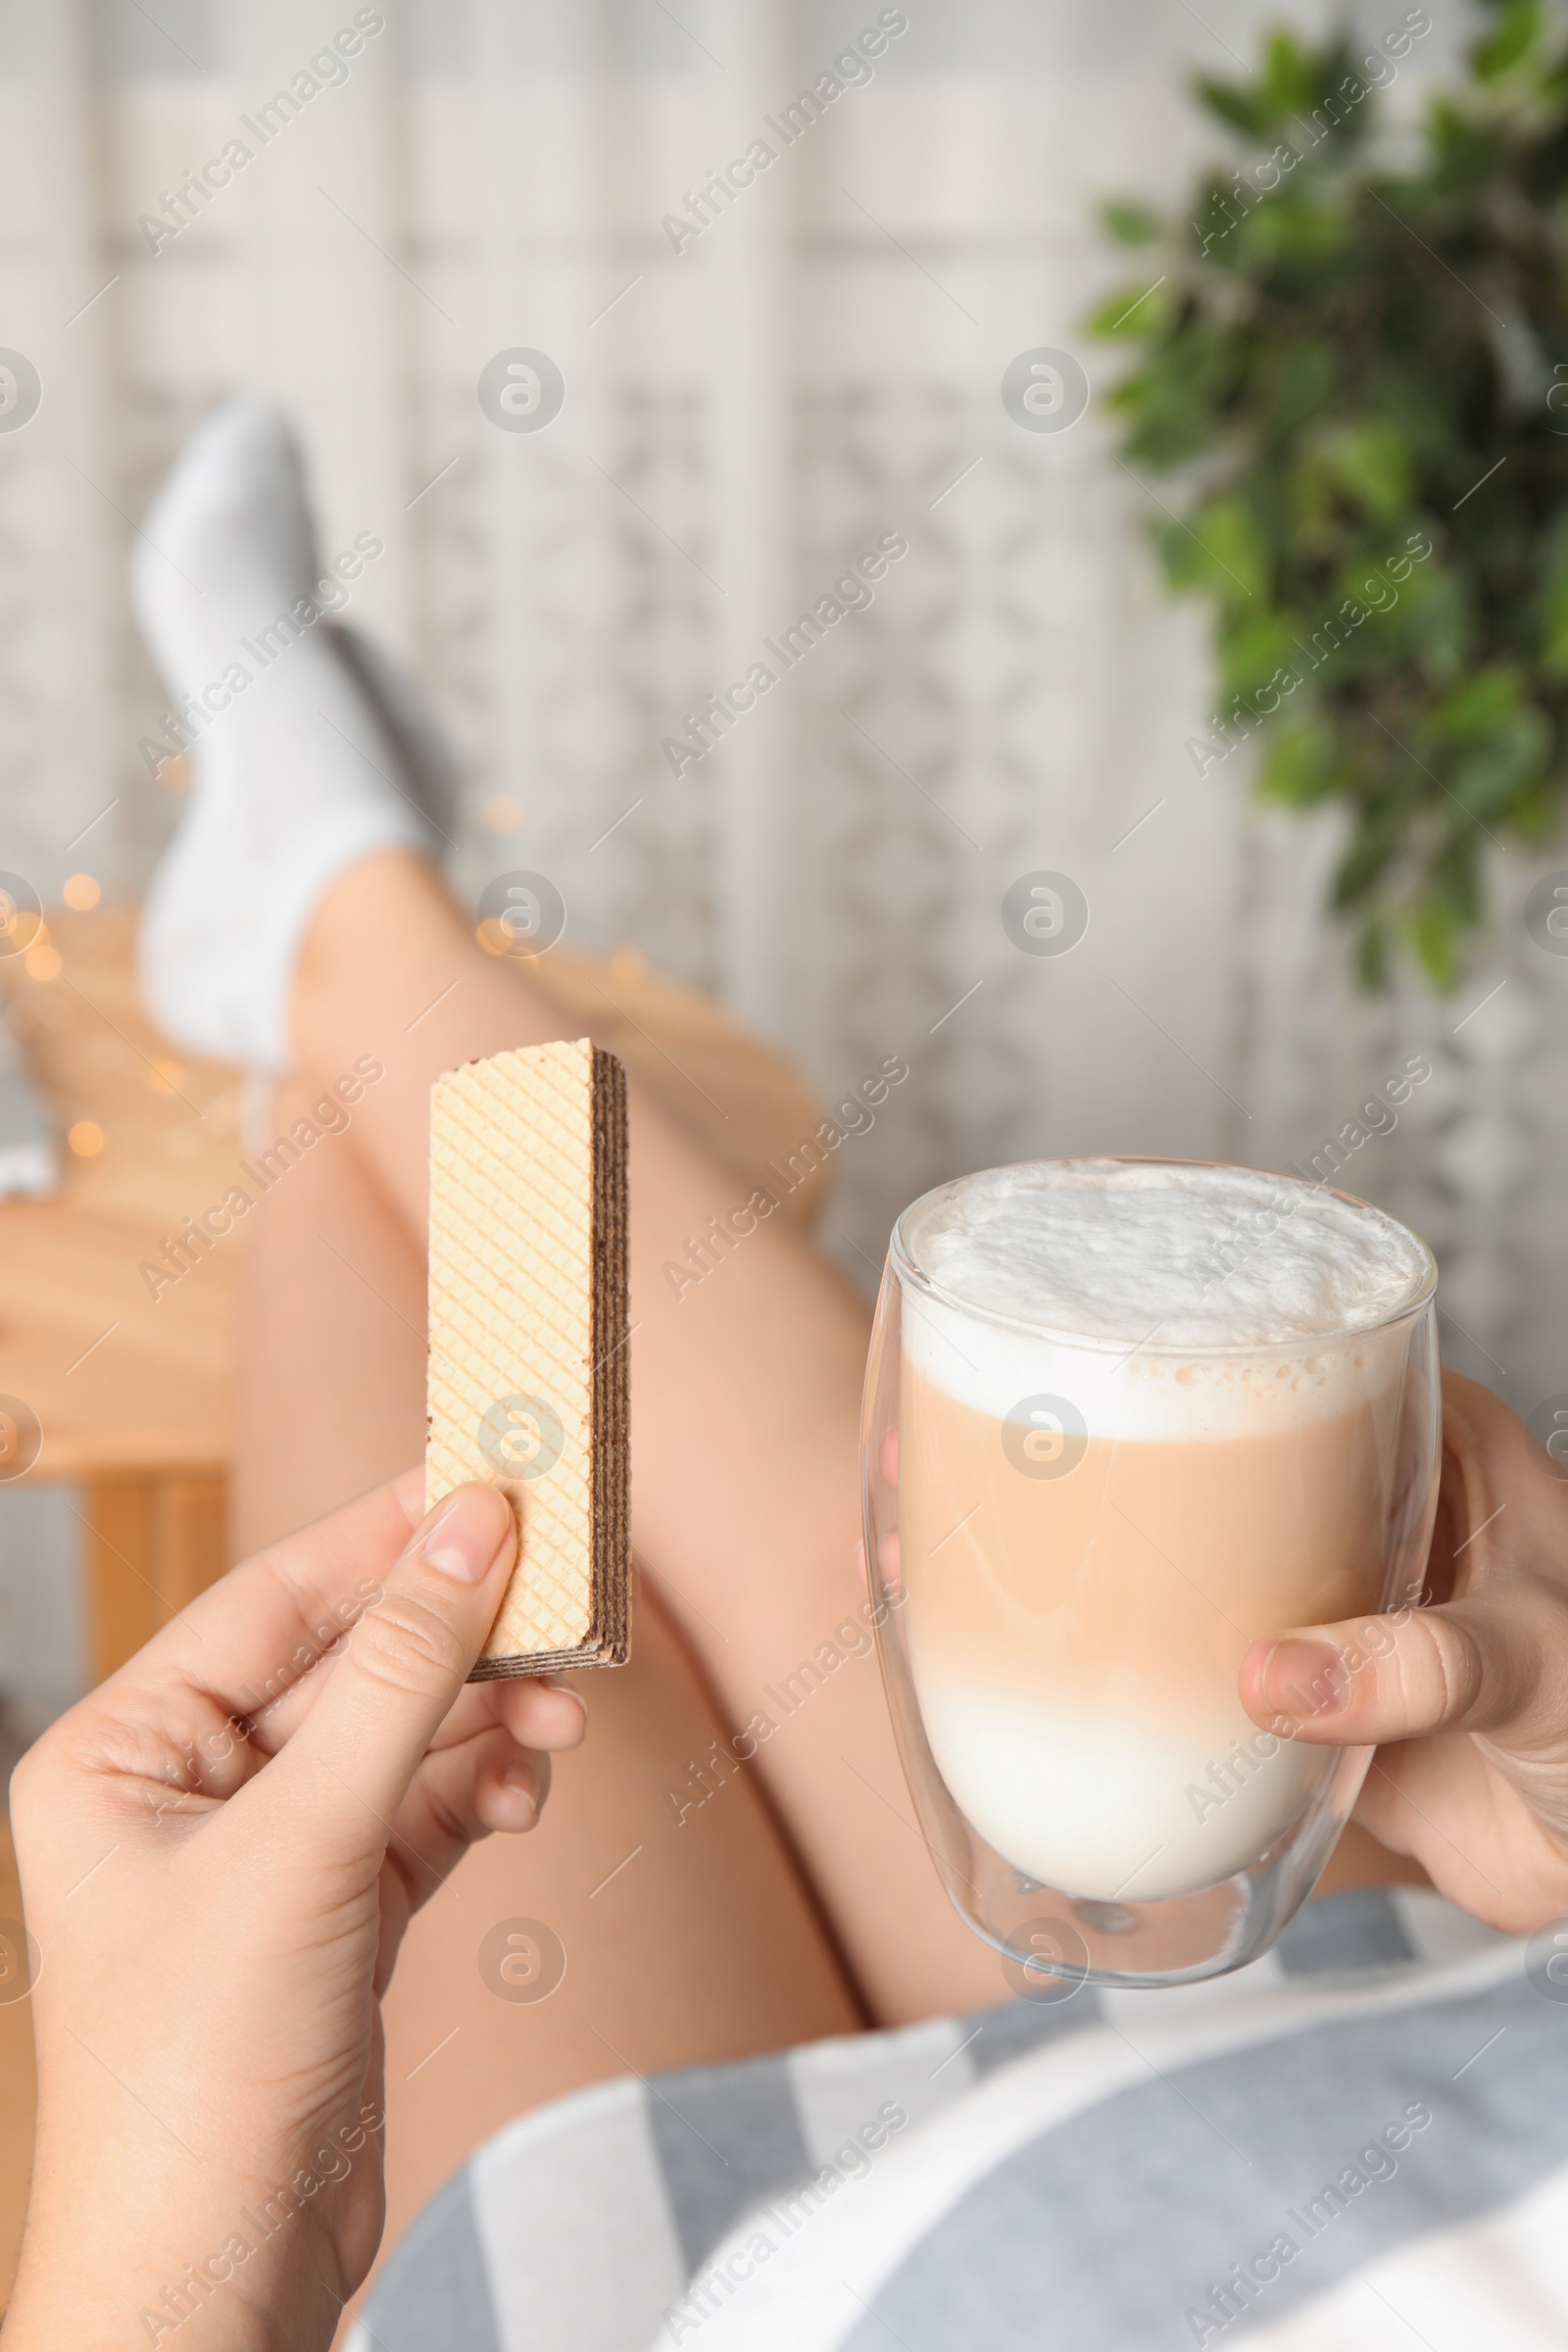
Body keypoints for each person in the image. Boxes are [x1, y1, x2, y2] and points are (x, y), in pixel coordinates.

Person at [7, 402, 1568, 2349]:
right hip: (1352, 2073)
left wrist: (156, 2253)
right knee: (750, 1576)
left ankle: (333, 919)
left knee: (491, 1563)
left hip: (702, 2292)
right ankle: (345, 917)